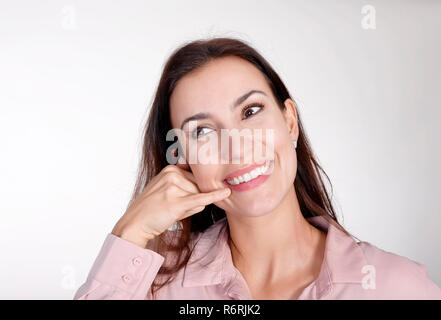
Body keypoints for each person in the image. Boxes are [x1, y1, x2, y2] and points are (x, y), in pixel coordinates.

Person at [73, 37, 441, 300]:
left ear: (290, 122)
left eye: (250, 112)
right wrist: (129, 232)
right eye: (203, 131)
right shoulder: (151, 278)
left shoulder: (400, 287)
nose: (237, 146)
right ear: (182, 159)